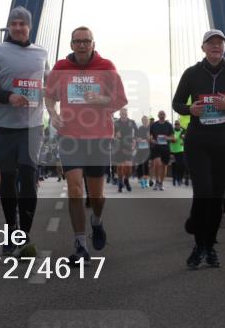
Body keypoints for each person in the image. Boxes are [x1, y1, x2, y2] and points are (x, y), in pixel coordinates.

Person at [45, 27, 128, 263]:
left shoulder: (106, 67)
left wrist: (102, 99)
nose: (81, 45)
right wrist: (52, 113)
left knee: (97, 196)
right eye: (77, 41)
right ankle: (80, 244)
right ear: (71, 45)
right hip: (70, 136)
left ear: (93, 43)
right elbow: (49, 96)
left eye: (86, 41)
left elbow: (120, 99)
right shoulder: (61, 68)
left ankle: (97, 222)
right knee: (75, 190)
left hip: (99, 137)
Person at [172, 30, 225, 269]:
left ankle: (209, 246)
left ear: (224, 48)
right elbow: (177, 103)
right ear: (203, 47)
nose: (215, 46)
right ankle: (199, 245)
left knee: (217, 196)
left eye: (220, 43)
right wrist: (189, 110)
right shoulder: (192, 74)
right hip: (198, 141)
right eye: (211, 43)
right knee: (203, 191)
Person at [0, 7, 49, 259]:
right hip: (4, 127)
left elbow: (49, 85)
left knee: (28, 179)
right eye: (14, 24)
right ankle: (10, 229)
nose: (18, 28)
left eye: (22, 24)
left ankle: (24, 235)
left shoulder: (41, 52)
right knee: (7, 180)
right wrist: (9, 97)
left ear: (30, 27)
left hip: (32, 127)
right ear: (8, 26)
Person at [113, 109, 137, 193]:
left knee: (129, 167)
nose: (124, 114)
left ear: (127, 114)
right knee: (119, 167)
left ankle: (126, 179)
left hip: (129, 147)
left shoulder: (132, 122)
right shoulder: (115, 123)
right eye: (122, 113)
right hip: (118, 147)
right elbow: (111, 134)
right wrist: (115, 135)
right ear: (120, 114)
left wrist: (134, 142)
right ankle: (120, 182)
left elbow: (137, 134)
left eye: (125, 113)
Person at [148, 111, 173, 191]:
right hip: (156, 147)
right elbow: (149, 136)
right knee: (156, 163)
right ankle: (156, 181)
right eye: (160, 114)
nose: (162, 115)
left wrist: (167, 138)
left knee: (164, 166)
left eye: (163, 114)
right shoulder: (154, 125)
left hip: (165, 148)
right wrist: (152, 140)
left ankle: (161, 183)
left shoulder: (169, 125)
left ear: (165, 116)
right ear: (158, 115)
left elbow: (173, 138)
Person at [134, 115, 151, 188]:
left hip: (147, 149)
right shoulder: (140, 128)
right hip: (140, 149)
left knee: (146, 164)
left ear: (148, 121)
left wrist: (148, 139)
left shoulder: (151, 128)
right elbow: (136, 137)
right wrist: (138, 139)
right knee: (140, 164)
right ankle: (140, 179)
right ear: (142, 121)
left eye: (146, 120)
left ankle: (146, 181)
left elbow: (153, 138)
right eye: (143, 120)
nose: (145, 121)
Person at [170, 118, 187, 187]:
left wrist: (184, 141)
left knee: (181, 165)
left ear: (180, 125)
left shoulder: (183, 131)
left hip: (180, 150)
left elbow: (186, 138)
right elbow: (170, 140)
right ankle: (174, 179)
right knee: (174, 166)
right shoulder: (172, 131)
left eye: (178, 124)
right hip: (173, 151)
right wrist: (173, 140)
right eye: (176, 124)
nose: (177, 125)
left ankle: (179, 179)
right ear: (174, 125)